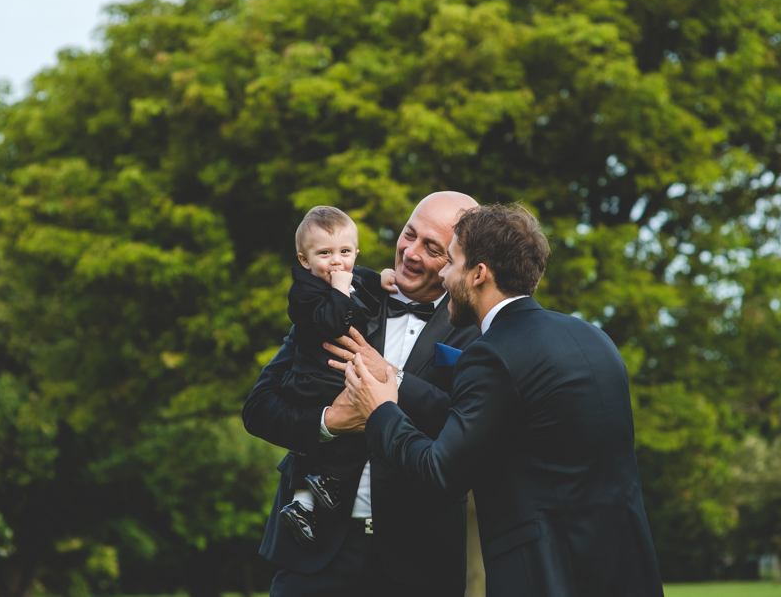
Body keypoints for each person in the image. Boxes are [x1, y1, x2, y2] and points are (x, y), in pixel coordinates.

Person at [345, 204, 666, 597]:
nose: (443, 274)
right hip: (624, 568)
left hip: (544, 573)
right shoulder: (593, 337)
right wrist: (396, 378)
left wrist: (381, 412)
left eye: (452, 262)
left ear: (479, 274)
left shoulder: (491, 352)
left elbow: (440, 475)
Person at [242, 191, 480, 597]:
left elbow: (468, 427)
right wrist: (328, 422)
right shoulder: (338, 297)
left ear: (458, 259)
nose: (410, 253)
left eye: (432, 248)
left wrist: (393, 379)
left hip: (419, 558)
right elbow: (259, 408)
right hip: (314, 550)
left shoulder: (477, 328)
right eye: (409, 234)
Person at [276, 206, 393, 547]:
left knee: (356, 427)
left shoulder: (349, 273)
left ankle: (313, 496)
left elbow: (363, 277)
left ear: (355, 252)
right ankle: (307, 495)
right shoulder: (303, 292)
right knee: (320, 434)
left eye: (345, 252)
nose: (337, 262)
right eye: (324, 254)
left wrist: (380, 279)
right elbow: (332, 323)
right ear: (304, 260)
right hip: (313, 379)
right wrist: (340, 291)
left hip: (335, 377)